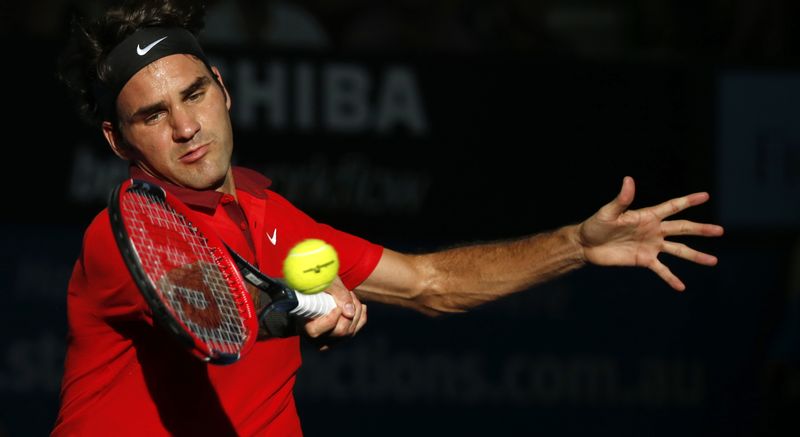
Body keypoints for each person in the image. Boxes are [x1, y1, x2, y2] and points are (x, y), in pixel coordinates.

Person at [52, 0, 724, 435]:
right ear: (118, 141)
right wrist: (306, 300)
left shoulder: (272, 212)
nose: (186, 126)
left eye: (194, 93)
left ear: (223, 88)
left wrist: (577, 243)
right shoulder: (121, 235)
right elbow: (218, 305)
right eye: (151, 114)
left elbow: (432, 282)